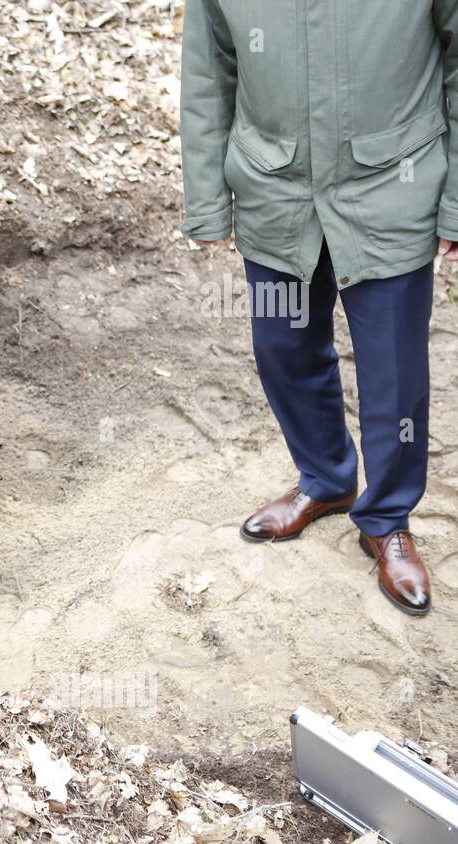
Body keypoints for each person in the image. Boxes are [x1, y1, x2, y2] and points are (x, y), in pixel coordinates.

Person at [179, 1, 458, 616]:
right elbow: (207, 70)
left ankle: (387, 519)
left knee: (394, 374)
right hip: (273, 191)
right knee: (283, 349)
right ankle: (327, 479)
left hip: (393, 192)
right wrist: (205, 198)